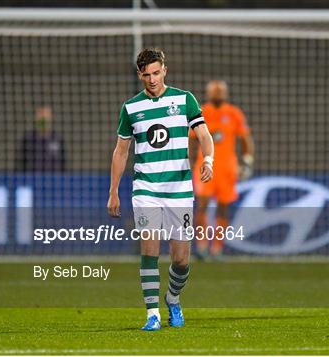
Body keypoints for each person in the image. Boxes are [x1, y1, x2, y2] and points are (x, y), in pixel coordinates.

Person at [107, 48, 214, 331]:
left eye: (156, 72)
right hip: (146, 189)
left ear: (164, 70)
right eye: (146, 74)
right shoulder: (131, 108)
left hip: (179, 189)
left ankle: (173, 298)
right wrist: (113, 190)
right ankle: (152, 314)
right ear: (140, 75)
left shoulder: (184, 99)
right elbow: (120, 152)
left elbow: (203, 133)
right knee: (150, 249)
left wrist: (209, 160)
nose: (152, 79)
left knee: (181, 259)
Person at [190, 80, 254, 260]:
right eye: (214, 92)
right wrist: (188, 161)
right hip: (205, 167)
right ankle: (201, 248)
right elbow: (191, 139)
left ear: (225, 94)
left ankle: (217, 249)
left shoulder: (234, 113)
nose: (217, 94)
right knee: (201, 205)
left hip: (227, 169)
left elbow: (245, 139)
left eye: (220, 92)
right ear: (209, 94)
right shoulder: (200, 112)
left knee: (223, 208)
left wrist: (247, 162)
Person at [20, 106, 65, 172]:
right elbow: (21, 163)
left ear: (51, 118)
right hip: (32, 179)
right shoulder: (28, 139)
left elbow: (63, 163)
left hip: (54, 179)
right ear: (36, 118)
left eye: (46, 114)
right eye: (40, 114)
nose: (43, 117)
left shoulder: (58, 138)